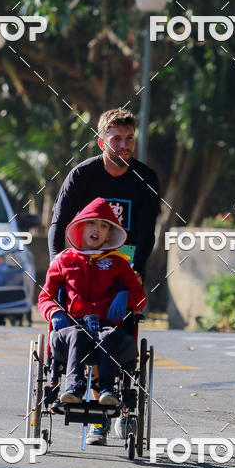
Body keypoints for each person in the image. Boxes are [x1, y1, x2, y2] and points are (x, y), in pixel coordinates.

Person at [38, 197, 147, 445]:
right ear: (80, 227)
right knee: (77, 335)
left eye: (104, 225)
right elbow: (45, 296)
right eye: (91, 224)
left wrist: (126, 295)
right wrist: (55, 314)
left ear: (110, 233)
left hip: (108, 326)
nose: (97, 229)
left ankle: (107, 390)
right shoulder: (64, 261)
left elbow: (140, 299)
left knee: (106, 336)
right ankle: (72, 388)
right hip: (71, 326)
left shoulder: (119, 263)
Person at [48, 108, 161, 282]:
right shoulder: (81, 175)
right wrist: (56, 262)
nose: (124, 145)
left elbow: (147, 232)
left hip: (126, 267)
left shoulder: (147, 178)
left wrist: (137, 268)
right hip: (85, 265)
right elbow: (59, 222)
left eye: (129, 138)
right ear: (102, 144)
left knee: (128, 308)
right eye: (116, 139)